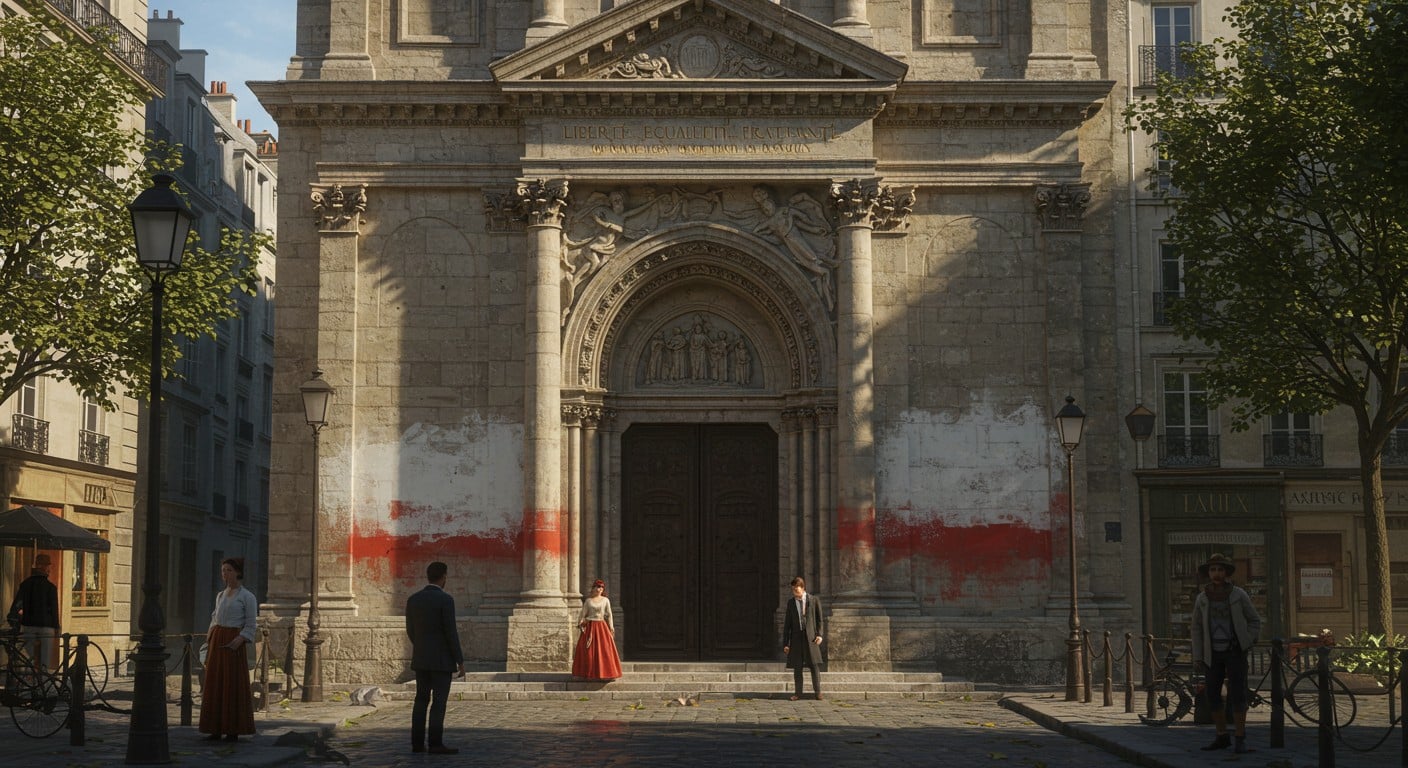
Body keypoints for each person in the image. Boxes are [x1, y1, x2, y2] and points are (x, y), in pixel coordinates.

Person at [1190, 553, 1262, 754]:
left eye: (1220, 570)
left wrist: (1248, 640)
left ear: (1227, 572)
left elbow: (1254, 620)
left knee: (1237, 694)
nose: (1217, 574)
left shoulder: (1238, 595)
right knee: (1212, 694)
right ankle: (1221, 735)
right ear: (1208, 573)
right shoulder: (1202, 599)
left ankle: (1240, 737)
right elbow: (1195, 628)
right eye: (1213, 570)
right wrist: (1197, 655)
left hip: (1234, 651)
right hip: (1212, 654)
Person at [406, 561, 465, 755]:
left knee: (421, 701)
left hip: (421, 659)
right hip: (442, 662)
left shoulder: (413, 600)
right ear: (444, 577)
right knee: (439, 702)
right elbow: (451, 632)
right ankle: (435, 743)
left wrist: (422, 647)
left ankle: (416, 743)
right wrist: (460, 660)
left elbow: (410, 630)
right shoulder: (446, 601)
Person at [199, 557, 257, 742]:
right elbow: (215, 618)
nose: (225, 574)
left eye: (229, 570)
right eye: (223, 570)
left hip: (233, 643)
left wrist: (239, 639)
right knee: (215, 683)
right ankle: (214, 728)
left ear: (238, 572)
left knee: (232, 685)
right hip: (218, 641)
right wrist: (209, 641)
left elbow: (250, 624)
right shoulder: (220, 595)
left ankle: (232, 729)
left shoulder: (247, 597)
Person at [7, 553, 59, 672]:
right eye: (48, 566)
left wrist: (16, 616)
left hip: (29, 624)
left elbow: (17, 605)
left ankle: (31, 680)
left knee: (30, 656)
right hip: (46, 626)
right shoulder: (51, 587)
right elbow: (54, 610)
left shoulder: (25, 584)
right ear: (45, 568)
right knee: (45, 657)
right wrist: (56, 627)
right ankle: (43, 681)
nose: (49, 569)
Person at [782, 576, 824, 701]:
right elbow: (787, 624)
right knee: (797, 667)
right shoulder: (791, 603)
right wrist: (786, 643)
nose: (795, 593)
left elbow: (819, 619)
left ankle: (818, 692)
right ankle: (798, 694)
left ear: (803, 588)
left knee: (814, 665)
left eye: (797, 590)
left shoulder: (814, 600)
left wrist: (820, 635)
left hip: (811, 638)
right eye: (793, 590)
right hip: (796, 638)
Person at [571, 579, 622, 681]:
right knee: (588, 651)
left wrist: (611, 627)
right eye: (598, 587)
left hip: (602, 626)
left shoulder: (605, 600)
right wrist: (581, 624)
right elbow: (583, 614)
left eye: (602, 587)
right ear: (593, 588)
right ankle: (587, 673)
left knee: (605, 650)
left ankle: (607, 673)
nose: (600, 589)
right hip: (590, 627)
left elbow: (609, 614)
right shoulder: (588, 601)